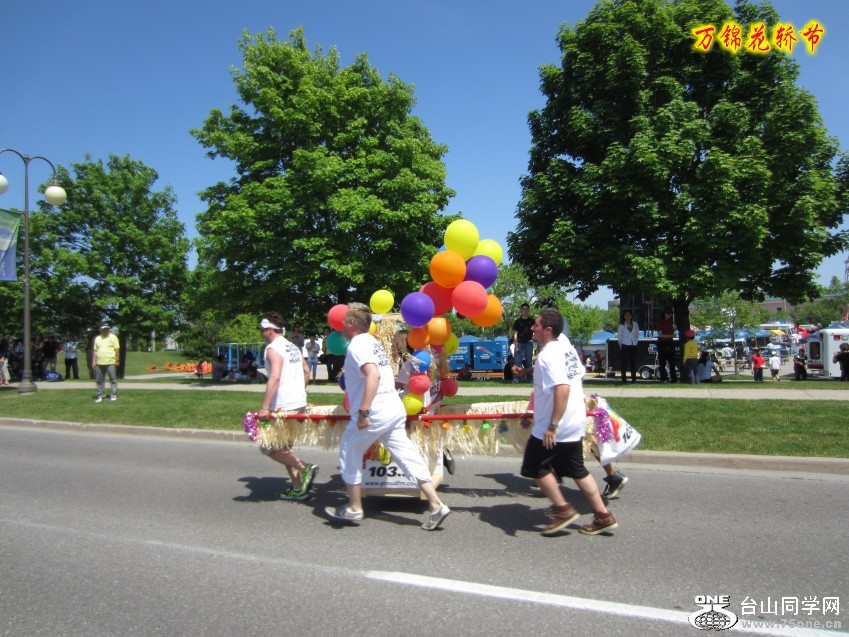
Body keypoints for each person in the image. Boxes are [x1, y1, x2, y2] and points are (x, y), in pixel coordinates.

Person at [324, 302, 450, 530]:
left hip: (375, 411)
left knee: (349, 451)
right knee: (407, 455)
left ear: (351, 323)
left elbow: (373, 375)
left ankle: (354, 507)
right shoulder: (372, 342)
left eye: (344, 321)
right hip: (392, 408)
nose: (340, 325)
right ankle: (435, 504)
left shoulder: (358, 345)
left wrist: (363, 411)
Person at [520, 307, 617, 536]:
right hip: (575, 420)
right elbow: (578, 374)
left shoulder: (548, 355)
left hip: (555, 425)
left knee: (533, 466)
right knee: (577, 469)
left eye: (536, 324)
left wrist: (552, 426)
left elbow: (562, 388)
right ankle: (603, 516)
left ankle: (562, 509)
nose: (532, 327)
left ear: (548, 330)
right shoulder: (567, 349)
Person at [257, 312, 318, 500]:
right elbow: (306, 370)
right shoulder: (292, 347)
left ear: (269, 329)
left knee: (268, 447)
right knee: (284, 448)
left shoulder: (272, 349)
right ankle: (298, 488)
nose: (261, 333)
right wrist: (300, 391)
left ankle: (305, 467)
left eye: (261, 330)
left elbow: (274, 376)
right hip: (298, 402)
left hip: (282, 405)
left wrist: (265, 407)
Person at [91, 323, 120, 402]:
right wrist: (93, 361)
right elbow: (95, 350)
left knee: (113, 379)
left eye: (107, 329)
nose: (105, 330)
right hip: (99, 362)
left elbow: (117, 349)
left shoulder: (113, 337)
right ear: (101, 330)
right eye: (104, 329)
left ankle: (113, 395)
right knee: (99, 380)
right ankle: (101, 395)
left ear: (109, 329)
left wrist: (117, 360)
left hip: (110, 361)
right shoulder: (97, 338)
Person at [512, 303, 535, 380]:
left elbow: (536, 331)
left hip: (529, 343)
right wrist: (516, 344)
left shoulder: (532, 321)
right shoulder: (518, 321)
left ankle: (529, 378)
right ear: (521, 311)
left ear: (529, 310)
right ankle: (516, 379)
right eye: (523, 309)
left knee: (529, 361)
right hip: (519, 343)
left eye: (526, 309)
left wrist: (533, 339)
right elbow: (515, 333)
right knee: (517, 361)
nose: (525, 311)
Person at [617, 309, 639, 383]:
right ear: (624, 316)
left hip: (633, 345)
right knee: (624, 363)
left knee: (633, 363)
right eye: (626, 315)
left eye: (629, 315)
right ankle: (624, 379)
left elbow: (637, 334)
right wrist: (621, 345)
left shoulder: (635, 324)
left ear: (631, 316)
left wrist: (635, 342)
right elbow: (619, 336)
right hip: (625, 345)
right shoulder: (621, 325)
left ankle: (634, 379)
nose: (627, 316)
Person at [656, 308, 678, 383]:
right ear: (664, 314)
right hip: (662, 343)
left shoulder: (670, 323)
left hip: (670, 343)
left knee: (672, 362)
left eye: (670, 314)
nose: (669, 315)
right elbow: (660, 335)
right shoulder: (661, 323)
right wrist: (671, 335)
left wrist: (674, 330)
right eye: (668, 314)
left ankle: (674, 379)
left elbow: (673, 330)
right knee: (662, 363)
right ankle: (663, 379)